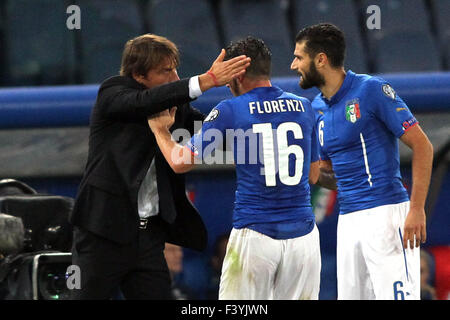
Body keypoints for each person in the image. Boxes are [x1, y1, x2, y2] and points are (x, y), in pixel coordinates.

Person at [69, 33, 250, 299]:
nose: (175, 77)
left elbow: (216, 137)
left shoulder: (177, 107)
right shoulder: (113, 92)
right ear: (139, 75)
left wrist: (255, 116)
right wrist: (207, 80)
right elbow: (141, 103)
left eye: (176, 69)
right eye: (166, 71)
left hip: (149, 237)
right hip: (102, 233)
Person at [148, 36, 321, 300]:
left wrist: (161, 131)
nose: (228, 83)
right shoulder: (304, 107)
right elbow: (313, 174)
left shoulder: (231, 109)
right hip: (304, 240)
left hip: (257, 235)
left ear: (237, 74)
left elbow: (179, 162)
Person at [290, 23, 433, 300]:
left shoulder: (372, 90)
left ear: (321, 59)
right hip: (348, 221)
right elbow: (332, 173)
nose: (294, 64)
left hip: (387, 214)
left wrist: (416, 209)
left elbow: (423, 146)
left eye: (299, 57)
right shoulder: (316, 108)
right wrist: (313, 175)